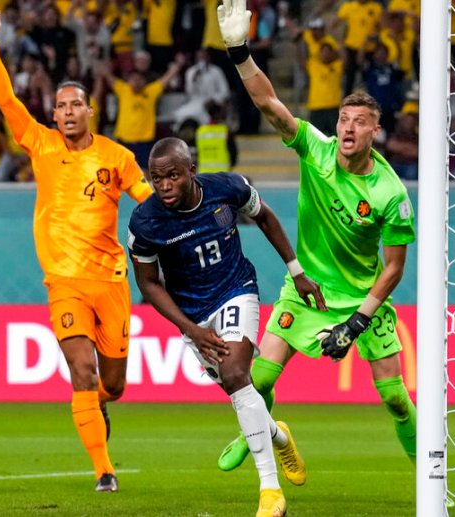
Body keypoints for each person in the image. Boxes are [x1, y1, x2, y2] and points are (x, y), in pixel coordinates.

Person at [215, 0, 420, 487]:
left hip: (362, 299)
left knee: (395, 397)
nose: (348, 127)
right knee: (257, 380)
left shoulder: (391, 194)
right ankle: (268, 433)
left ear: (375, 131)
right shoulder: (315, 149)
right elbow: (270, 104)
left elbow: (393, 269)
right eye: (344, 118)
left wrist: (357, 321)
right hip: (308, 291)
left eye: (359, 121)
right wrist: (239, 51)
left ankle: (432, 481)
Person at [0, 0, 154, 493]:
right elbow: (7, 100)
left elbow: (147, 200)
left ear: (91, 111)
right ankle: (104, 471)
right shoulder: (41, 144)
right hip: (64, 283)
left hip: (111, 282)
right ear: (53, 114)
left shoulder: (117, 157)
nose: (68, 112)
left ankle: (98, 405)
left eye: (76, 104)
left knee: (112, 385)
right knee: (81, 371)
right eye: (61, 106)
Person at [129, 137, 324, 517]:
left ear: (192, 170)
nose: (164, 185)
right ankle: (279, 435)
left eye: (172, 176)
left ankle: (270, 491)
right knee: (240, 393)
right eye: (156, 178)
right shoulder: (145, 222)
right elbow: (148, 284)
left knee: (236, 373)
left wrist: (296, 271)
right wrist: (191, 329)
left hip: (236, 289)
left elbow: (265, 216)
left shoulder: (228, 188)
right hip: (193, 315)